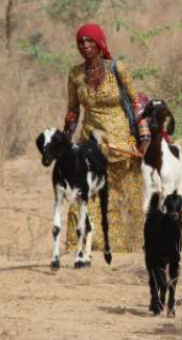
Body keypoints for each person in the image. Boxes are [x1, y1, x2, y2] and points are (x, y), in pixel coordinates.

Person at [63, 24, 150, 253]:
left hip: (121, 146)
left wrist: (144, 140)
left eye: (90, 41)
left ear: (100, 43)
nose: (85, 46)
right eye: (81, 42)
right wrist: (64, 140)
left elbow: (136, 103)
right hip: (90, 145)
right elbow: (73, 110)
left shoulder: (117, 69)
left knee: (125, 200)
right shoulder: (75, 74)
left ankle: (130, 251)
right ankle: (81, 248)